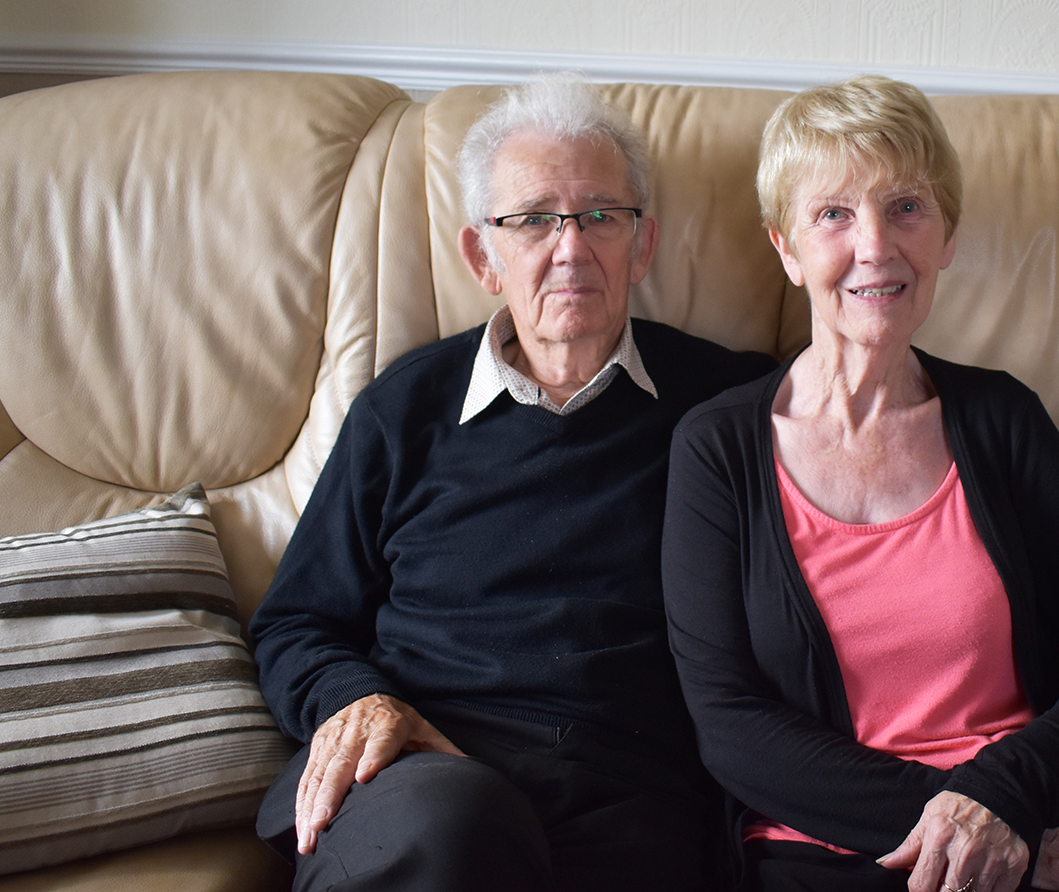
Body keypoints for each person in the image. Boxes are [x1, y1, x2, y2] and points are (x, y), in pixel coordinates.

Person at [661, 76, 1059, 892]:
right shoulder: (718, 450)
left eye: (906, 207)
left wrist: (1020, 794)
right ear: (785, 247)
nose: (875, 245)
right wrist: (994, 835)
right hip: (851, 852)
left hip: (1053, 815)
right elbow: (730, 725)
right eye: (833, 213)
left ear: (945, 234)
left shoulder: (999, 417)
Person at [250, 74, 775, 892]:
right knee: (454, 830)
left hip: (627, 793)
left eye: (601, 215)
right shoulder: (404, 408)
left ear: (643, 245)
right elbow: (294, 621)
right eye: (533, 220)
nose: (571, 247)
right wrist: (361, 699)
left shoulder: (727, 408)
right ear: (482, 255)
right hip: (420, 781)